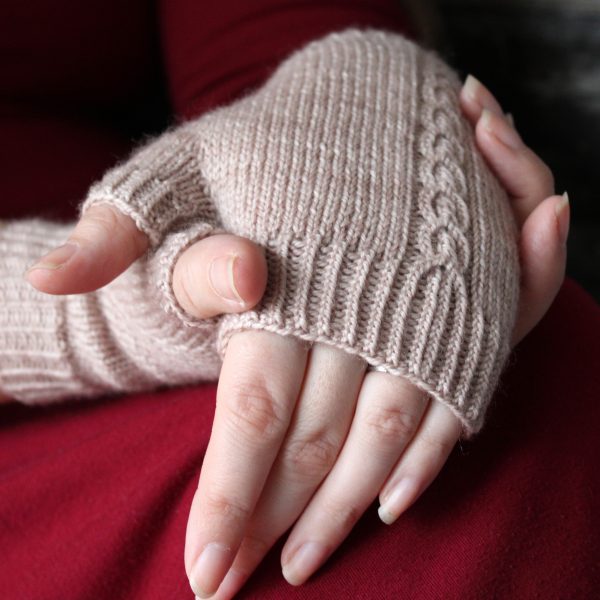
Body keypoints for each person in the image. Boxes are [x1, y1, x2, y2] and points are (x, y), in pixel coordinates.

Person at [1, 2, 597, 600]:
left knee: (490, 391)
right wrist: (118, 308)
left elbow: (265, 31)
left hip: (202, 279)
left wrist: (362, 95)